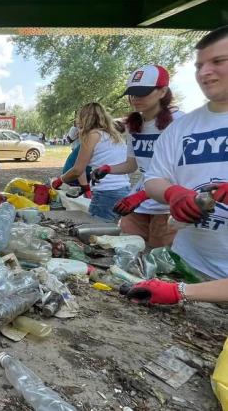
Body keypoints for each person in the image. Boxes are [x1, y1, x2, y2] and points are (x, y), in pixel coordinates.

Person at [143, 25, 228, 281]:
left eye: (218, 61)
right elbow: (154, 177)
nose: (205, 72)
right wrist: (173, 194)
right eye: (199, 66)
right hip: (188, 267)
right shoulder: (181, 127)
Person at [91, 65, 184, 247]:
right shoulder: (134, 124)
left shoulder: (179, 121)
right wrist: (108, 169)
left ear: (162, 91)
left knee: (161, 258)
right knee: (127, 250)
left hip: (167, 206)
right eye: (132, 93)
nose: (135, 98)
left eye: (143, 92)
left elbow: (182, 171)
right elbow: (132, 164)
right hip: (138, 203)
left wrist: (143, 195)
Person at [52, 102, 130, 221]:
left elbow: (78, 169)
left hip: (106, 192)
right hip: (123, 190)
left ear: (83, 118)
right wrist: (85, 187)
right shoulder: (113, 135)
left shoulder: (92, 135)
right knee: (111, 232)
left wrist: (60, 180)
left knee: (96, 233)